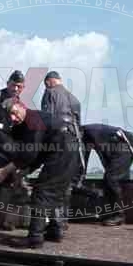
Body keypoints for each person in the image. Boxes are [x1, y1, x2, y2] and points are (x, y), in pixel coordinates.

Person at [0, 99, 80, 248]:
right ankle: (54, 231)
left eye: (14, 113)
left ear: (22, 106)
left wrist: (5, 170)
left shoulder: (33, 120)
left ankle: (35, 238)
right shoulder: (27, 124)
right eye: (10, 117)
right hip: (64, 149)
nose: (13, 118)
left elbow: (30, 154)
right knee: (55, 192)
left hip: (63, 149)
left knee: (42, 192)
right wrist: (23, 171)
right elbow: (36, 155)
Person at [40, 70, 84, 232]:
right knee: (66, 183)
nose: (45, 87)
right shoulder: (74, 98)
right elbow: (79, 125)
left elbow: (47, 119)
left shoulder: (50, 92)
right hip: (74, 143)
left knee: (51, 183)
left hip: (58, 140)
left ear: (49, 82)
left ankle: (54, 225)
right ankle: (62, 222)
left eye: (46, 84)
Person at [80, 123, 133, 226]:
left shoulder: (84, 134)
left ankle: (118, 215)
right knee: (113, 180)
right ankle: (114, 213)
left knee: (111, 179)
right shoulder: (87, 132)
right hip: (118, 146)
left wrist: (80, 178)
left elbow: (83, 159)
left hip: (124, 144)